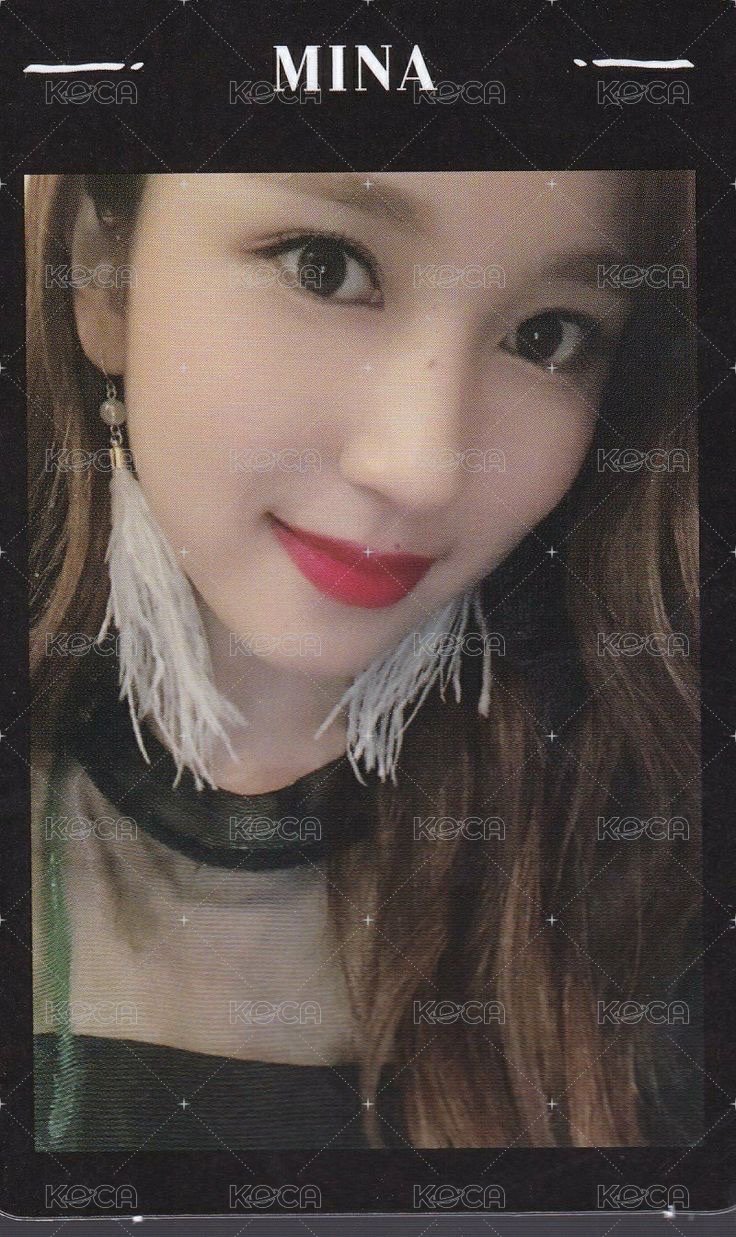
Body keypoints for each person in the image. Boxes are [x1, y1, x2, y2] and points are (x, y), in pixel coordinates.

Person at [27, 171, 700, 1150]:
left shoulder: (656, 867)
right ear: (106, 273)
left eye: (545, 336)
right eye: (325, 268)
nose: (421, 467)